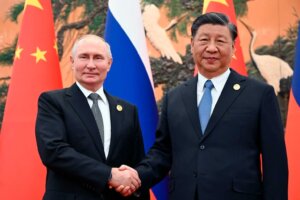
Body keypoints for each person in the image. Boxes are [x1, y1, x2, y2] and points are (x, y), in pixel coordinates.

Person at [120, 12, 288, 200]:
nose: (211, 48)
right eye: (204, 40)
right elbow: (162, 153)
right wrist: (136, 176)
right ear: (192, 45)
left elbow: (275, 163)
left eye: (220, 41)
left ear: (233, 48)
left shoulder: (259, 94)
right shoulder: (174, 97)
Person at [35, 34, 149, 200]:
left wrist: (133, 186)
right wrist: (109, 175)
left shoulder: (127, 110)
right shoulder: (52, 101)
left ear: (109, 64)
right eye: (83, 57)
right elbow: (54, 152)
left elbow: (136, 164)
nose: (90, 65)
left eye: (98, 58)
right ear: (72, 62)